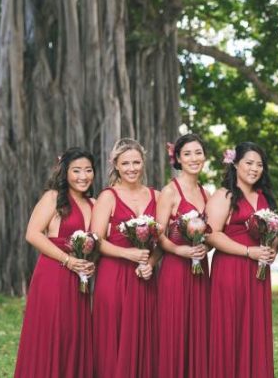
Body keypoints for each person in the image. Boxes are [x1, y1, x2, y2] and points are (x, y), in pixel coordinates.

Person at [15, 147, 96, 378]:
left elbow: (97, 240)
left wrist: (91, 261)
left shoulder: (94, 203)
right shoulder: (53, 198)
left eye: (88, 170)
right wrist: (68, 260)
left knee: (74, 336)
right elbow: (33, 234)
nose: (83, 176)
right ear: (65, 172)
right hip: (54, 275)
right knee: (53, 333)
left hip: (81, 279)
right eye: (76, 170)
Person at [206, 142, 278, 378]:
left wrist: (271, 248)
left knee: (255, 331)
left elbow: (276, 232)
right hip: (231, 271)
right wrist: (249, 252)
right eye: (249, 163)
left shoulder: (265, 197)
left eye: (259, 164)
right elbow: (212, 234)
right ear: (235, 164)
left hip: (258, 273)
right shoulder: (224, 195)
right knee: (231, 331)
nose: (254, 168)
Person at [91, 138, 161, 377]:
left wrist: (150, 263)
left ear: (143, 163)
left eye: (136, 162)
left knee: (144, 335)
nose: (132, 168)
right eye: (126, 163)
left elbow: (161, 242)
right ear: (116, 165)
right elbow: (96, 240)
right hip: (113, 276)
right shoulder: (108, 197)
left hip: (144, 276)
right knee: (114, 335)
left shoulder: (157, 196)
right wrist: (127, 253)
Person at [157, 134, 211, 377]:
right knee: (175, 329)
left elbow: (210, 234)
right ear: (177, 158)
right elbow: (158, 235)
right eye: (187, 154)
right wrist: (180, 249)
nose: (193, 158)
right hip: (175, 269)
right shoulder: (170, 191)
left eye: (198, 152)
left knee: (199, 329)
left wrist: (204, 247)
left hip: (200, 271)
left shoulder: (207, 194)